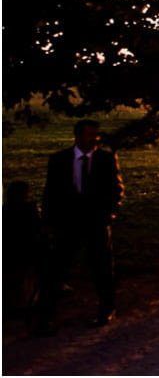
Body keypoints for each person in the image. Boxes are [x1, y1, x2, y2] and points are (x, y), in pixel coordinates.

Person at [37, 119, 124, 333]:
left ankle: (107, 308)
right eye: (89, 135)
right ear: (77, 136)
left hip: (96, 221)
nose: (94, 139)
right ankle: (45, 316)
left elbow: (117, 187)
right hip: (68, 222)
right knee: (57, 268)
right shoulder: (59, 160)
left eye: (96, 135)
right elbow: (51, 192)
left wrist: (110, 212)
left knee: (102, 266)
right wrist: (49, 221)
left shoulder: (105, 158)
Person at [3, 181, 42, 316]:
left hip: (12, 252)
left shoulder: (5, 210)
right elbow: (38, 228)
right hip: (28, 251)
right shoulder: (29, 209)